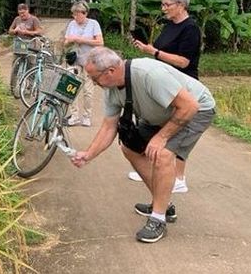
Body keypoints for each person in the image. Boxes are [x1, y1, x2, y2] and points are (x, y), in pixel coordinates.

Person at [71, 47, 215, 243]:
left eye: (94, 77)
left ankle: (158, 219)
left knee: (162, 154)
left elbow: (190, 106)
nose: (93, 83)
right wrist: (88, 154)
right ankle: (163, 204)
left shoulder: (148, 74)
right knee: (130, 147)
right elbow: (108, 127)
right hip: (160, 114)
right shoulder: (111, 89)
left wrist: (162, 137)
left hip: (195, 110)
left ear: (110, 71)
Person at [128, 0, 201, 193]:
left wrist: (156, 52)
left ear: (181, 5)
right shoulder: (169, 26)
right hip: (164, 83)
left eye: (167, 5)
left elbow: (184, 61)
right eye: (163, 4)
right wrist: (147, 49)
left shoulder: (191, 29)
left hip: (183, 85)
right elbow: (160, 50)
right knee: (158, 126)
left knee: (176, 131)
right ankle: (154, 169)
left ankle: (179, 177)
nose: (164, 8)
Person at [63, 1, 103, 127]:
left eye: (77, 14)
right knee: (71, 88)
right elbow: (65, 41)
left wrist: (79, 39)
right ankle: (74, 116)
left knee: (88, 90)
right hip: (74, 60)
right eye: (73, 14)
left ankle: (87, 116)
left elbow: (100, 42)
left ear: (84, 13)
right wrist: (70, 41)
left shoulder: (93, 24)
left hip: (89, 61)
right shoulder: (71, 24)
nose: (75, 17)